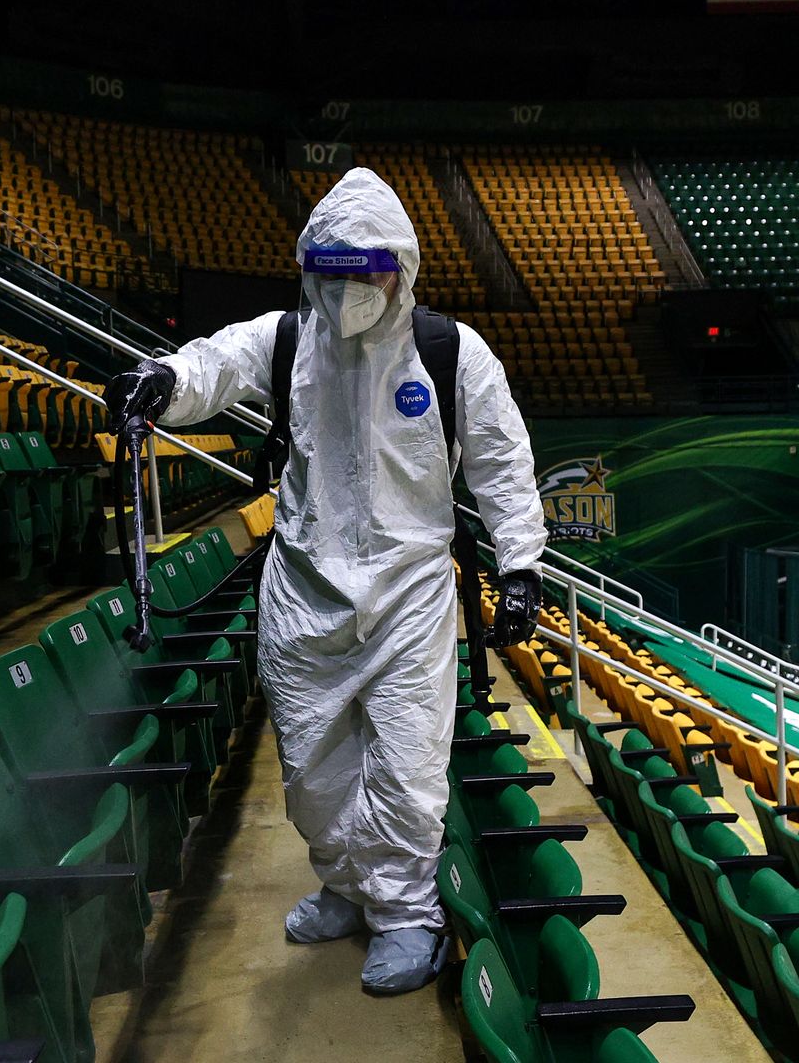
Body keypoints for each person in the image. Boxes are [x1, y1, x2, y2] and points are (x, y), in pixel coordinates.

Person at [105, 168, 546, 993]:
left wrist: (520, 563)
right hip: (305, 589)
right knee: (312, 769)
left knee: (407, 767)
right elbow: (212, 364)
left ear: (401, 271)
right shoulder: (287, 343)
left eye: (364, 276)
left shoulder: (450, 353)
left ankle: (407, 913)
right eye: (331, 277)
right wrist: (160, 381)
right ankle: (348, 885)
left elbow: (502, 460)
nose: (348, 295)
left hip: (409, 594)